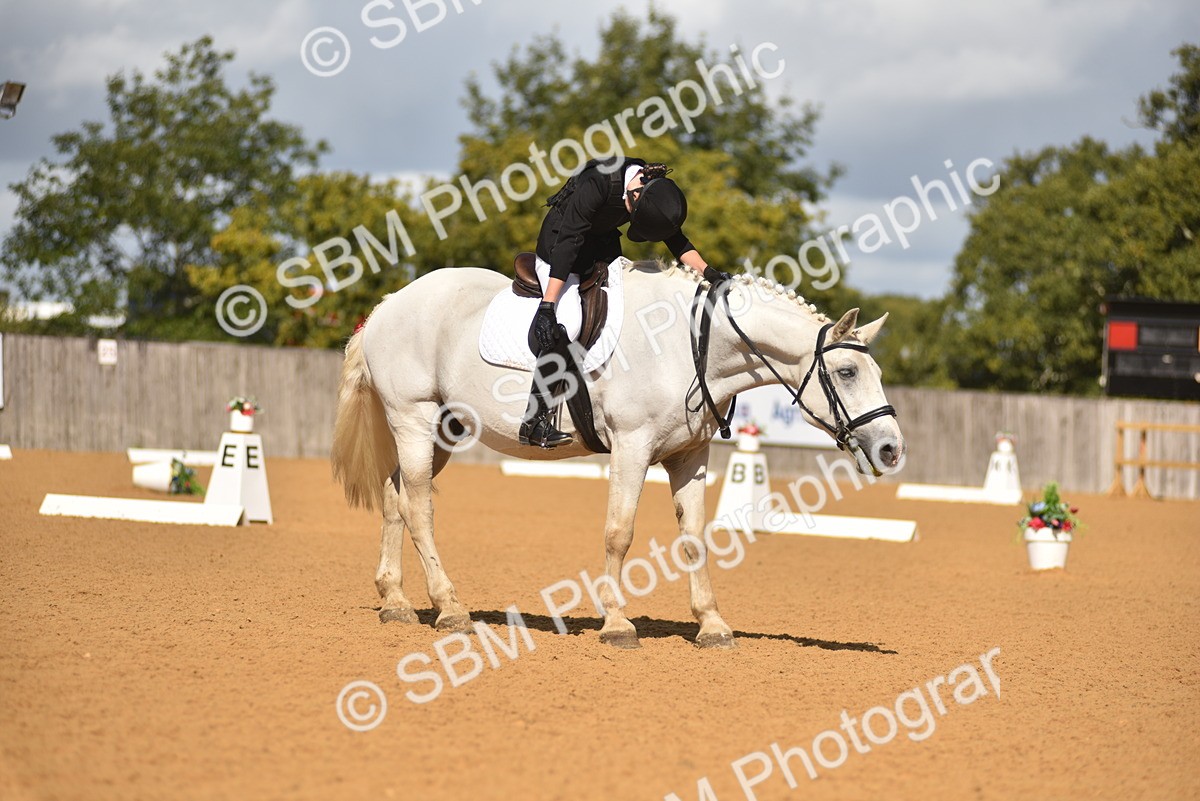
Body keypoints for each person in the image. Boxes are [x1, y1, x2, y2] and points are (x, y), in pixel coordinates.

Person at [520, 156, 730, 448]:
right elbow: (570, 240)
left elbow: (676, 239)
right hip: (559, 248)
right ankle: (534, 419)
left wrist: (709, 272)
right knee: (569, 317)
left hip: (601, 251)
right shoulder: (597, 183)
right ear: (633, 194)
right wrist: (548, 305)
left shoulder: (650, 189)